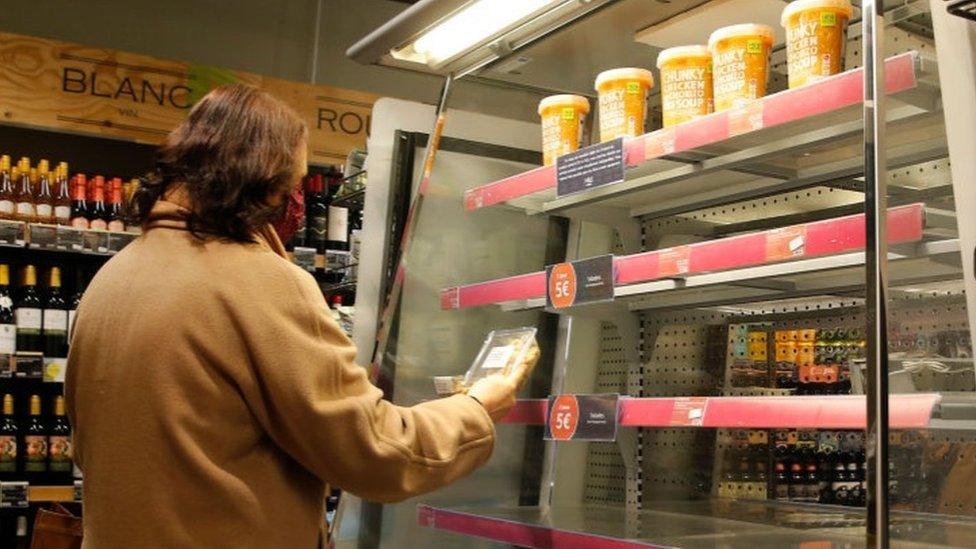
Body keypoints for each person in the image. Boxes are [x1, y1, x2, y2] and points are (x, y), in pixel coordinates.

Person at [65, 84, 538, 548]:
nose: (298, 200)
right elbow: (373, 450)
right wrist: (476, 409)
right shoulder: (260, 281)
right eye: (294, 181)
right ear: (262, 181)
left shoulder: (114, 276)